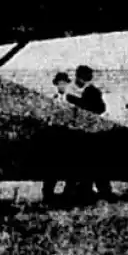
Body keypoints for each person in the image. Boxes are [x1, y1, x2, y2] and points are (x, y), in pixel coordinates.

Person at [65, 65, 113, 201]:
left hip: (86, 132)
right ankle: (91, 191)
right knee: (90, 165)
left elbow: (98, 108)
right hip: (85, 132)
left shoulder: (89, 91)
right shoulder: (85, 90)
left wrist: (76, 101)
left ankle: (85, 191)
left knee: (85, 165)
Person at [42, 71, 73, 204]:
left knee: (70, 167)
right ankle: (48, 194)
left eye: (64, 83)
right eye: (60, 83)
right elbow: (47, 118)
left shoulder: (71, 100)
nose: (62, 86)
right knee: (52, 168)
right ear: (56, 85)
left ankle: (68, 194)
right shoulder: (52, 100)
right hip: (55, 136)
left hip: (67, 136)